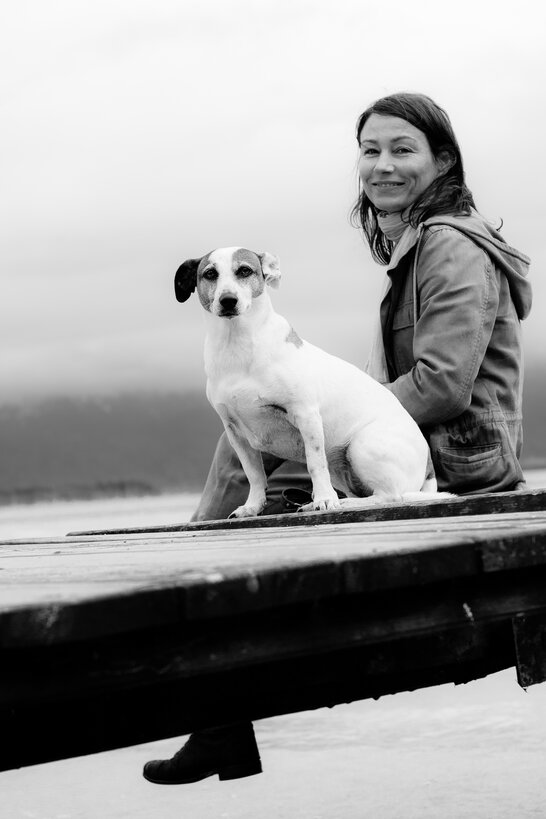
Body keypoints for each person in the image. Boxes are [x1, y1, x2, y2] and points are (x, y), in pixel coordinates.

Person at [142, 91, 532, 785]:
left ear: (443, 161)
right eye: (370, 150)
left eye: (402, 149)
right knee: (253, 420)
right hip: (422, 446)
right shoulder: (425, 241)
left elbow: (441, 384)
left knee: (270, 425)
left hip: (456, 459)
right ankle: (215, 705)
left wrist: (337, 410)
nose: (381, 164)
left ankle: (211, 699)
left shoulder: (452, 249)